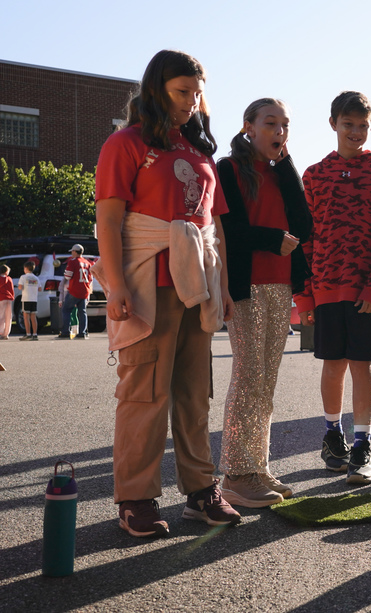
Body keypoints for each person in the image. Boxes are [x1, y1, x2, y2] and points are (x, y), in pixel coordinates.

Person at [92, 49, 240, 537]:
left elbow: (213, 227)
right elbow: (109, 222)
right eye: (182, 92)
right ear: (156, 89)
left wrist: (223, 287)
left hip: (197, 289)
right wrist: (114, 286)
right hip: (147, 287)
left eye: (198, 92)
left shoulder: (201, 153)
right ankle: (135, 498)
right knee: (144, 395)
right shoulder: (126, 142)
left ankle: (201, 492)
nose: (192, 102)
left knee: (195, 395)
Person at [298, 91, 371, 486]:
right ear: (333, 124)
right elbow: (304, 238)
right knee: (332, 365)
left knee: (363, 365)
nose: (355, 132)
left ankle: (362, 445)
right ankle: (332, 435)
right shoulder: (313, 174)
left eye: (362, 126)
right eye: (348, 124)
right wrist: (305, 295)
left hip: (365, 291)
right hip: (324, 287)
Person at [216, 98, 313, 507]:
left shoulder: (278, 173)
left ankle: (257, 467)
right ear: (248, 127)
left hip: (278, 285)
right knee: (248, 376)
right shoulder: (228, 168)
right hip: (246, 285)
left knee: (266, 381)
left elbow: (304, 226)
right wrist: (273, 239)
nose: (279, 131)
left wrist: (287, 164)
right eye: (270, 123)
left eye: (285, 125)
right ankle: (236, 475)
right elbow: (230, 230)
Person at [58, 244, 93, 339]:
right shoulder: (87, 262)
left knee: (66, 310)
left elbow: (68, 276)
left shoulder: (73, 262)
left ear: (74, 251)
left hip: (74, 290)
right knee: (82, 312)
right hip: (85, 290)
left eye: (72, 252)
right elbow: (91, 278)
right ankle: (83, 332)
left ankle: (65, 331)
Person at [17, 261, 40, 340]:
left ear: (26, 268)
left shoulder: (23, 277)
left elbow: (20, 287)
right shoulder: (36, 278)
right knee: (33, 317)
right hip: (34, 299)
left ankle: (28, 334)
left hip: (26, 298)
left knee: (26, 317)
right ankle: (35, 334)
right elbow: (39, 288)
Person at [0, 265, 12, 340]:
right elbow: (12, 289)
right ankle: (6, 333)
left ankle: (1, 331)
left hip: (1, 298)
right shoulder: (9, 279)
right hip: (9, 298)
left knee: (1, 316)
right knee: (8, 316)